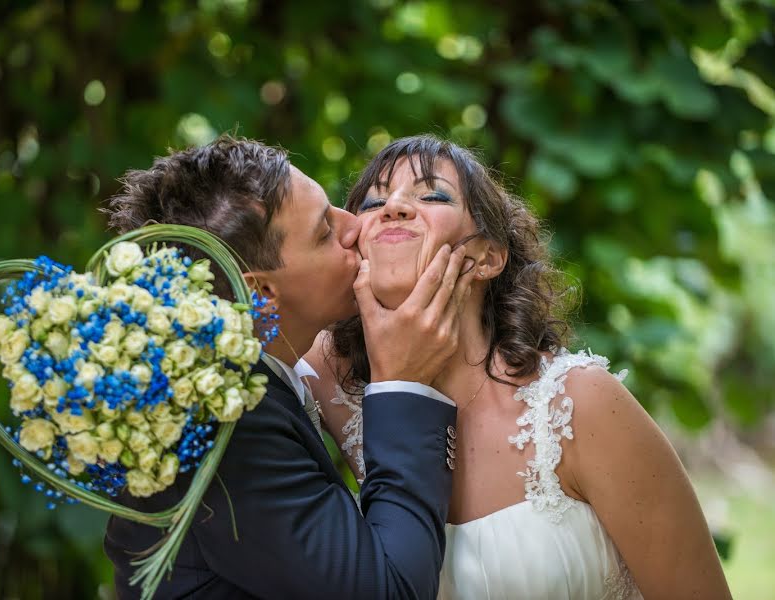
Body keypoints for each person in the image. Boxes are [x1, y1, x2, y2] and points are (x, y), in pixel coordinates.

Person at [303, 134, 732, 599]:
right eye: (373, 202)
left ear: (487, 257)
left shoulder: (580, 404)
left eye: (432, 195)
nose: (394, 208)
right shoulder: (331, 377)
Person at [102, 136, 477, 599]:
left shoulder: (249, 386)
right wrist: (404, 383)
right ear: (260, 293)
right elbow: (390, 590)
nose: (355, 225)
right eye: (324, 233)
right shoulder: (228, 424)